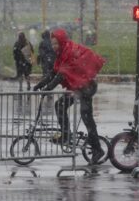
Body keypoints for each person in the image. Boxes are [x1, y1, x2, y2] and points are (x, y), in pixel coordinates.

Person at [33, 28, 106, 165]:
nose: (54, 47)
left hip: (86, 87)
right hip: (77, 86)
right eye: (52, 44)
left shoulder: (69, 51)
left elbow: (61, 76)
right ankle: (66, 134)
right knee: (60, 105)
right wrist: (39, 85)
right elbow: (53, 74)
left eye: (56, 44)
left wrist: (48, 89)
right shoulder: (61, 53)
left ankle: (97, 149)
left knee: (86, 115)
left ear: (61, 42)